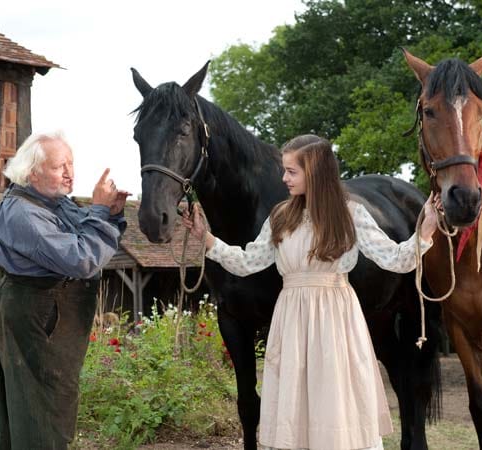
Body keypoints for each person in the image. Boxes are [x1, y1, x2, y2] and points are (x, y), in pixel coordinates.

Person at [183, 134, 440, 450]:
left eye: (292, 171)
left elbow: (395, 259)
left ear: (316, 171)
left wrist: (424, 232)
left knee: (335, 406)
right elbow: (247, 261)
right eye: (284, 170)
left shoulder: (351, 214)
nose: (284, 179)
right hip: (291, 322)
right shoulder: (281, 217)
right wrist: (205, 238)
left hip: (336, 324)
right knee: (297, 410)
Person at [0, 131, 129, 450]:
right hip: (35, 313)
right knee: (39, 407)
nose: (70, 172)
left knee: (44, 401)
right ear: (33, 172)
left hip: (48, 312)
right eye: (59, 166)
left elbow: (89, 233)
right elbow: (81, 259)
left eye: (71, 163)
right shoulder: (23, 213)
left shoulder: (55, 203)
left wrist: (111, 213)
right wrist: (98, 212)